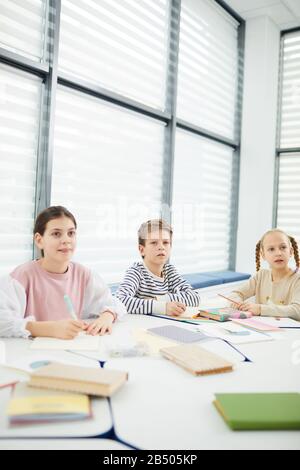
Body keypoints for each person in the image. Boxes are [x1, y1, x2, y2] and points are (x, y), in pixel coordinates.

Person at [0, 206, 126, 338]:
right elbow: (3, 322)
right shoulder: (21, 277)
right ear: (39, 240)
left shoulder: (85, 275)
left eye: (71, 233)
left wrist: (107, 316)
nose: (66, 240)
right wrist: (50, 329)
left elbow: (113, 303)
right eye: (56, 234)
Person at [116, 219, 200, 316]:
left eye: (165, 242)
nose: (161, 247)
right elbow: (120, 301)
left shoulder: (170, 271)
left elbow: (194, 297)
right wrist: (162, 307)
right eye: (154, 243)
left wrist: (158, 299)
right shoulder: (136, 272)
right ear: (142, 250)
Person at [230, 229, 300, 320]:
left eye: (283, 247)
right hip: (262, 329)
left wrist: (260, 309)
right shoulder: (261, 276)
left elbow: (297, 310)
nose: (278, 253)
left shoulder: (297, 280)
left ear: (291, 251)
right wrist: (237, 303)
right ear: (263, 255)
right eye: (271, 249)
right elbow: (236, 294)